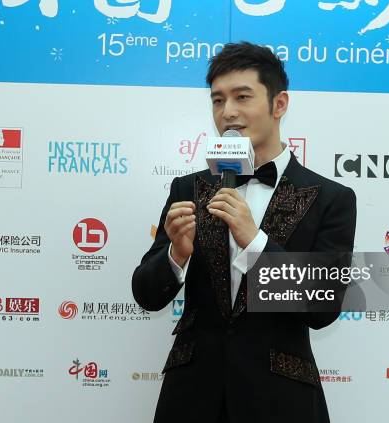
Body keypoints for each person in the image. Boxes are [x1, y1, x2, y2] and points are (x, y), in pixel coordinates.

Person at [132, 41, 356, 423]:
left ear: (279, 104)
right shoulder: (188, 189)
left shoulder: (331, 198)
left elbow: (323, 308)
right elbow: (146, 295)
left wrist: (256, 241)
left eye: (242, 97)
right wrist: (177, 255)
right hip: (192, 397)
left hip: (281, 399)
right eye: (218, 101)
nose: (228, 113)